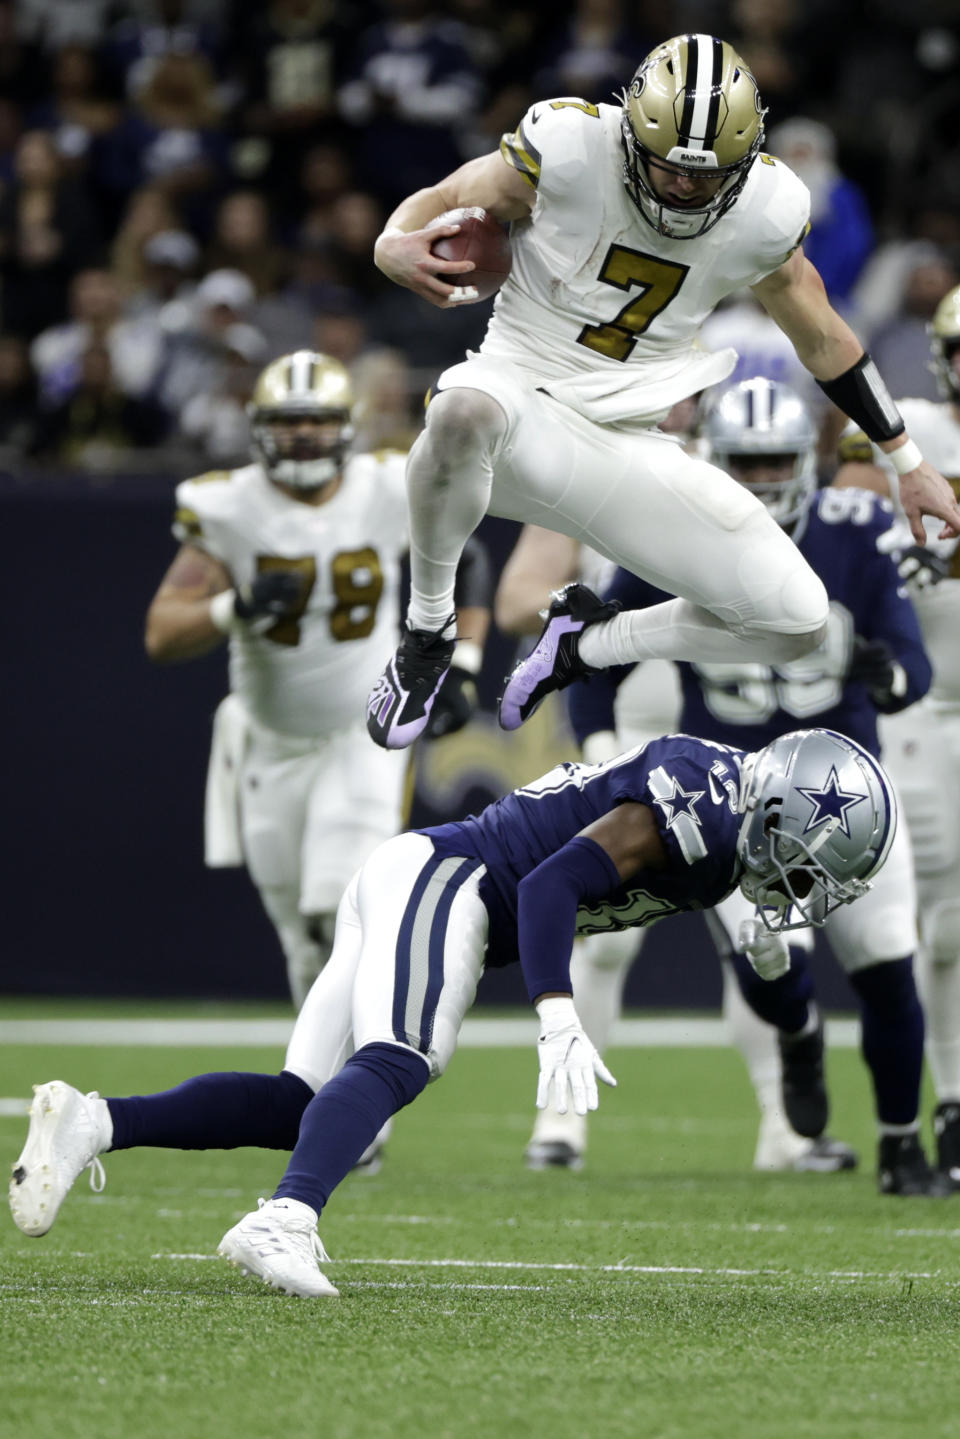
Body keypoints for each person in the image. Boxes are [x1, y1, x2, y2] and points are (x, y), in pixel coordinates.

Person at [9, 725, 896, 1296]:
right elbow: (553, 883)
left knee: (301, 1102)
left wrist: (782, 977)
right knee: (403, 1056)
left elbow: (774, 986)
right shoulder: (699, 800)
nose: (806, 888)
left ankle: (92, 1122)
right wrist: (556, 1009)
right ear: (781, 810)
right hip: (454, 879)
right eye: (811, 866)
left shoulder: (731, 826)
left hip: (420, 876)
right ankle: (285, 1220)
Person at [363, 31, 960, 753]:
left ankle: (587, 646)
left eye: (706, 177)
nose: (683, 186)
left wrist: (910, 463)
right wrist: (392, 240)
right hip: (522, 403)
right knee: (460, 407)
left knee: (796, 621)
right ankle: (428, 629)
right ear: (631, 132)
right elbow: (452, 196)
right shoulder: (570, 145)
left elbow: (825, 337)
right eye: (669, 166)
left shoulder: (768, 208)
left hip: (633, 442)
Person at [562, 378, 946, 1195]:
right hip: (739, 801)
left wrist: (885, 673)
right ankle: (802, 1033)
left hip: (852, 786)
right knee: (770, 968)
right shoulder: (674, 536)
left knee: (886, 965)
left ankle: (901, 1141)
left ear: (805, 458)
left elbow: (913, 671)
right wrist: (600, 752)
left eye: (776, 458)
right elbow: (592, 660)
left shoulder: (858, 525)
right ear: (715, 463)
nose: (764, 477)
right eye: (746, 462)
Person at [144, 349, 490, 1017]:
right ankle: (323, 1081)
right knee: (302, 938)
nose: (303, 433)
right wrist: (232, 607)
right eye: (288, 420)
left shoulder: (385, 486)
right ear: (260, 426)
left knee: (340, 906)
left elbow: (466, 553)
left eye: (318, 419)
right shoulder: (228, 504)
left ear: (346, 425)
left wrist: (464, 663)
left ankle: (361, 1086)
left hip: (361, 731)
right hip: (268, 742)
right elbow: (161, 632)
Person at [833, 284, 960, 1187]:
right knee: (943, 917)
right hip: (923, 702)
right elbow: (846, 517)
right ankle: (948, 1102)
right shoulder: (908, 425)